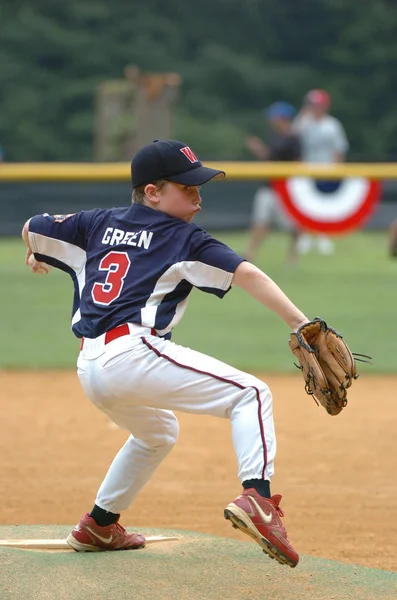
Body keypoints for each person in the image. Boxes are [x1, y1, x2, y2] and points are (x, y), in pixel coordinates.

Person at [21, 139, 310, 567]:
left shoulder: (96, 222)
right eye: (187, 188)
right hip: (133, 353)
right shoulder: (183, 238)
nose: (198, 195)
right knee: (250, 393)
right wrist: (299, 323)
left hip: (91, 367)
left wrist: (33, 248)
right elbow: (246, 272)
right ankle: (258, 500)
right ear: (152, 192)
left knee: (158, 433)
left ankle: (99, 525)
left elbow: (33, 225)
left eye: (198, 186)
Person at [244, 101, 301, 264]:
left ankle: (293, 255)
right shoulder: (275, 136)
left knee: (294, 224)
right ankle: (250, 253)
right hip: (268, 186)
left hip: (285, 188)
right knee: (260, 220)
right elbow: (270, 158)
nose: (271, 120)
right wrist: (258, 149)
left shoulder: (294, 139)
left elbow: (297, 162)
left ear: (283, 118)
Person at [293, 89, 349, 255]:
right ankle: (304, 235)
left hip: (326, 169)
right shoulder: (303, 122)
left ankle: (323, 234)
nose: (314, 108)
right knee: (304, 202)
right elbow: (294, 141)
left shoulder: (332, 125)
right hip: (306, 169)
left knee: (323, 202)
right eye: (311, 104)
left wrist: (338, 169)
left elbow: (339, 149)